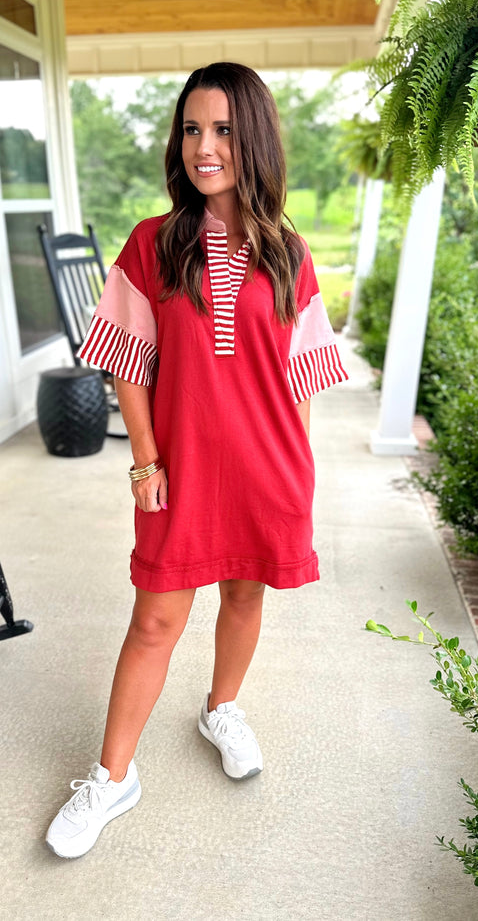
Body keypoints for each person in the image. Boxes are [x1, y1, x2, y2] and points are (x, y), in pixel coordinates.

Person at [46, 62, 349, 859]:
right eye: (190, 129)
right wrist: (145, 462)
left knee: (245, 597)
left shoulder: (289, 252)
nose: (203, 146)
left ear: (251, 138)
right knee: (155, 617)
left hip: (268, 468)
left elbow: (302, 377)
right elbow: (125, 358)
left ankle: (222, 708)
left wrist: (299, 475)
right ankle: (112, 777)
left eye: (220, 129)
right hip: (179, 473)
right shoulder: (153, 243)